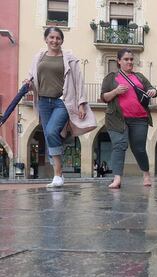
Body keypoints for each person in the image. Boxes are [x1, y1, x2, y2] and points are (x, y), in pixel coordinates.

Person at [25, 27, 96, 187]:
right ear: (46, 39)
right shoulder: (38, 57)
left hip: (62, 101)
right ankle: (60, 174)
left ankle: (57, 174)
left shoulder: (69, 58)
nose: (54, 41)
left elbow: (79, 81)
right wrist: (27, 83)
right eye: (51, 37)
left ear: (62, 40)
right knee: (50, 136)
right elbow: (32, 76)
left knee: (51, 132)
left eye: (58, 38)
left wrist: (81, 104)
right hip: (43, 102)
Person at [101, 48, 157, 189]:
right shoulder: (111, 78)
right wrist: (115, 91)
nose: (129, 62)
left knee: (139, 149)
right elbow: (104, 97)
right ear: (119, 61)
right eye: (126, 59)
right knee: (119, 145)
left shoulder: (139, 77)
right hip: (117, 118)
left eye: (131, 59)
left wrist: (153, 91)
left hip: (140, 118)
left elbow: (152, 90)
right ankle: (117, 178)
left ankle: (146, 174)